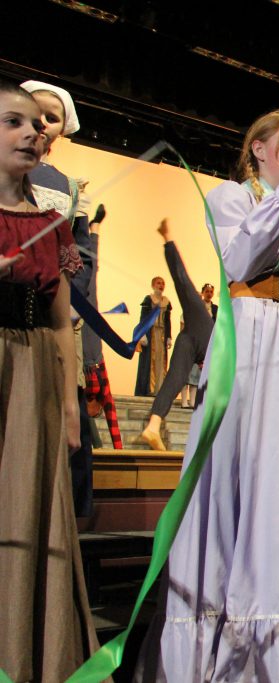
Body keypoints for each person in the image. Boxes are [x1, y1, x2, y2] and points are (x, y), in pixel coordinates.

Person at [135, 109, 279, 680]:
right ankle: (236, 650)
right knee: (250, 482)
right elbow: (238, 261)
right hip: (252, 353)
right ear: (257, 148)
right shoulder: (231, 198)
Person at [0, 79, 99, 681]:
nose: (31, 133)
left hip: (33, 371)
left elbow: (63, 321)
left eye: (37, 125)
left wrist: (68, 404)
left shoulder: (51, 222)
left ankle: (26, 652)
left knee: (27, 505)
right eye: (13, 122)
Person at [22, 78, 98, 512]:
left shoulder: (69, 189)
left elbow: (80, 259)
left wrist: (72, 305)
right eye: (34, 112)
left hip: (51, 316)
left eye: (52, 117)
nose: (42, 123)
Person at [138, 220, 216, 451]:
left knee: (175, 380)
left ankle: (153, 425)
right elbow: (181, 279)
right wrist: (168, 239)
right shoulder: (200, 312)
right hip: (202, 339)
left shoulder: (203, 323)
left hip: (193, 342)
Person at [134, 275, 173, 396]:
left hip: (161, 335)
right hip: (150, 335)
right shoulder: (149, 299)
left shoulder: (166, 302)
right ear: (153, 285)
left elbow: (167, 321)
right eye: (158, 283)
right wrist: (142, 334)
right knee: (149, 362)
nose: (161, 285)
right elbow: (143, 318)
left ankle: (159, 389)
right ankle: (149, 389)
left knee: (161, 361)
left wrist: (168, 336)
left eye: (162, 283)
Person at [181, 282, 216, 409]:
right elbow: (183, 326)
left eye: (211, 292)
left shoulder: (214, 309)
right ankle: (184, 401)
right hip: (191, 343)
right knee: (186, 373)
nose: (209, 294)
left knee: (196, 374)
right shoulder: (190, 309)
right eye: (206, 291)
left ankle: (193, 401)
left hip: (204, 343)